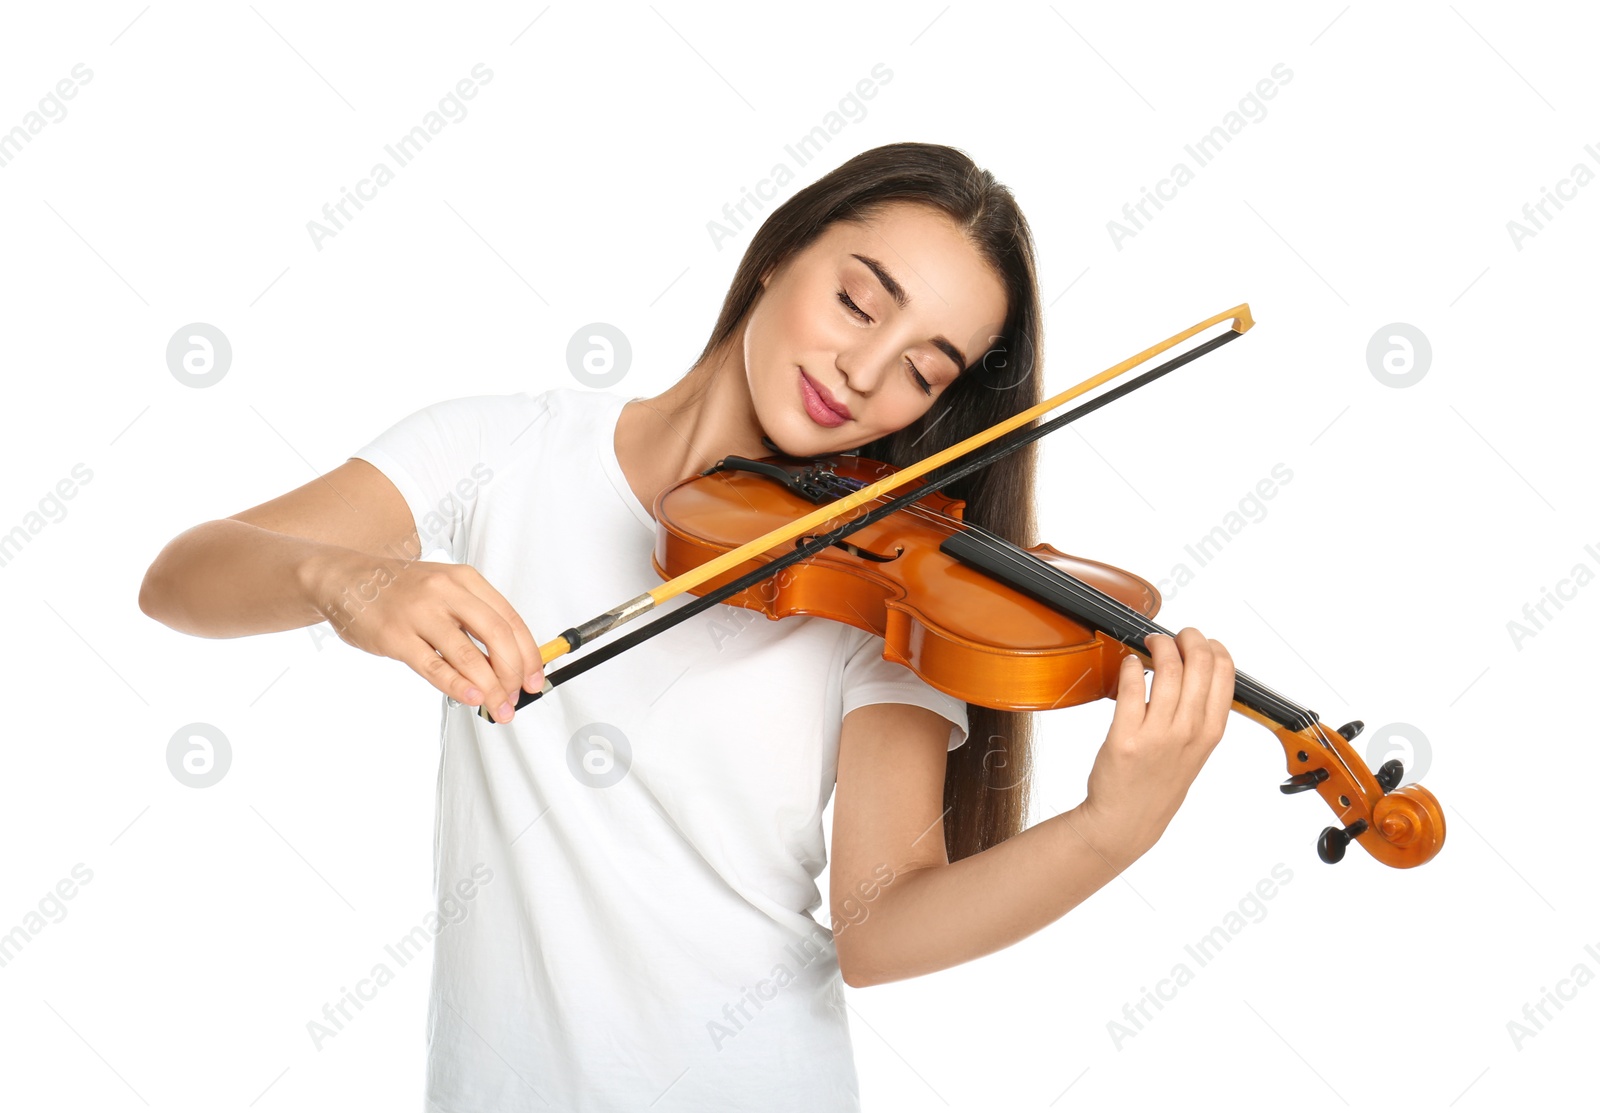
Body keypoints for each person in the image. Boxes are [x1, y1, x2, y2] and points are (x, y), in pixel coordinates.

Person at [138, 141, 1234, 1111]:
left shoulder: (884, 583)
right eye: (858, 303)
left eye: (921, 370)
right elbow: (181, 578)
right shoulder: (500, 454)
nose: (861, 374)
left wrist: (1110, 829)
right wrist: (354, 582)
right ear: (778, 252)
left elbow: (880, 927)